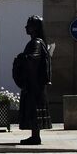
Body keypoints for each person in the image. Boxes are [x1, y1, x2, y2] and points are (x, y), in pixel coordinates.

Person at [16, 15, 52, 145]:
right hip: (35, 84)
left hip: (33, 85)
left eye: (28, 25)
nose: (26, 27)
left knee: (33, 109)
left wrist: (21, 58)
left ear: (35, 28)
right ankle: (34, 136)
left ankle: (35, 137)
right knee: (33, 109)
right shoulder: (38, 42)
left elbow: (33, 59)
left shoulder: (35, 43)